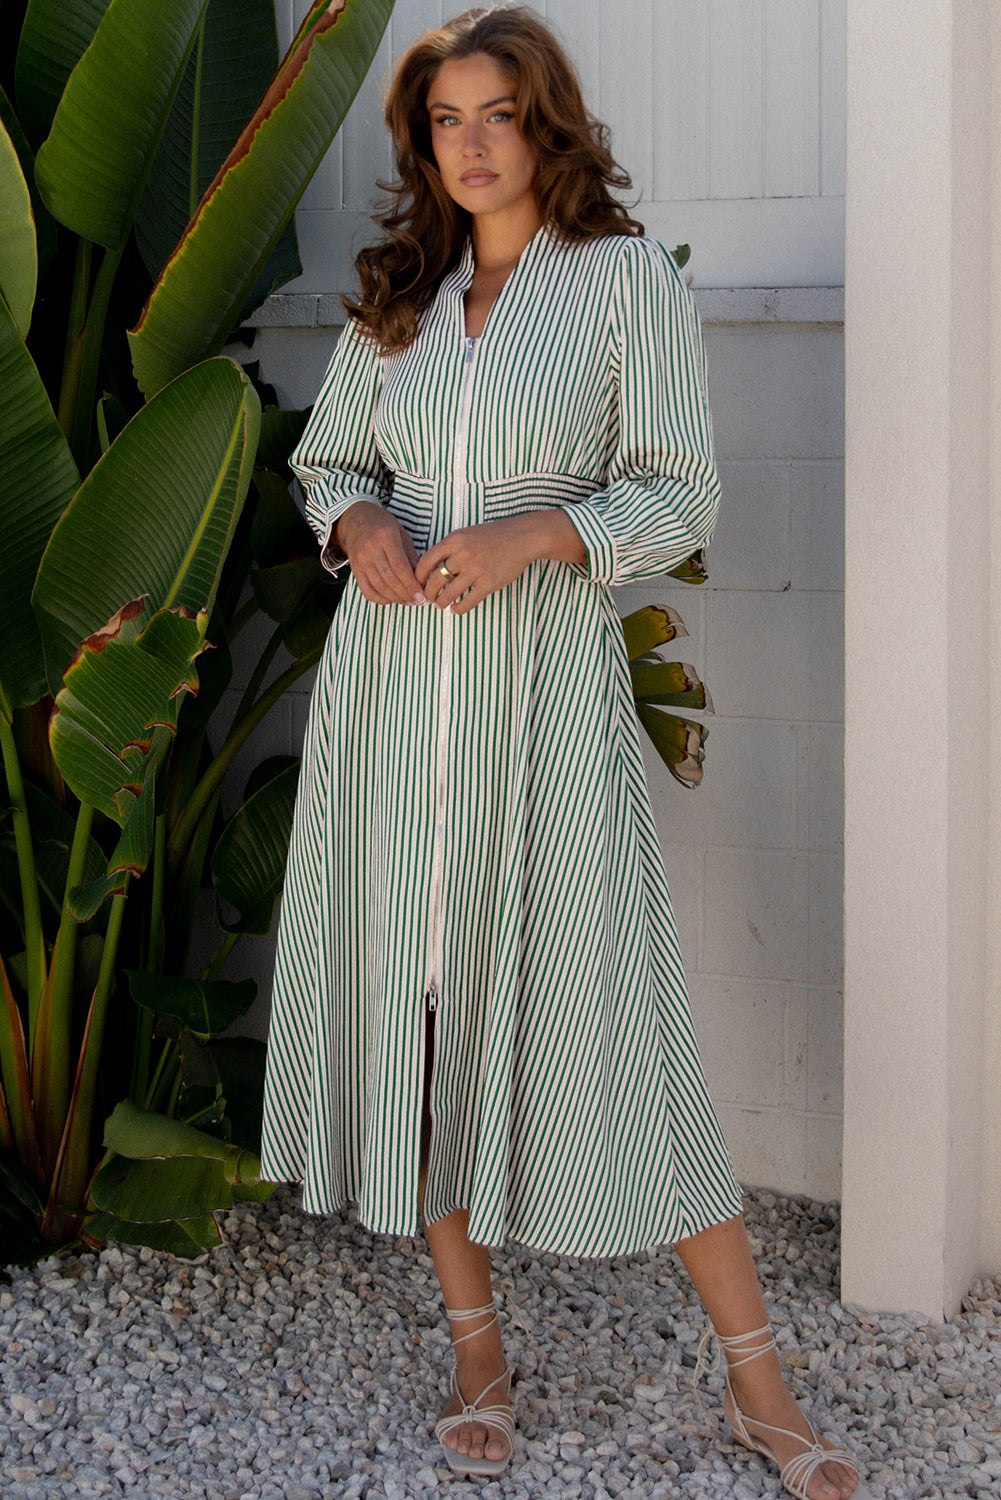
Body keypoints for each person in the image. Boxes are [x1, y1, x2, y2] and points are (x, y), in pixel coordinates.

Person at [260, 8, 866, 1499]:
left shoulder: (619, 284)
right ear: (423, 142)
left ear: (546, 126)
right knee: (414, 1021)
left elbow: (679, 495)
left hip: (543, 701)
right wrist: (357, 523)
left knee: (620, 1026)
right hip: (390, 708)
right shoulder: (400, 299)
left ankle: (760, 1386)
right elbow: (330, 461)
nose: (470, 146)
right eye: (444, 120)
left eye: (496, 115)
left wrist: (536, 531)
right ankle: (478, 1352)